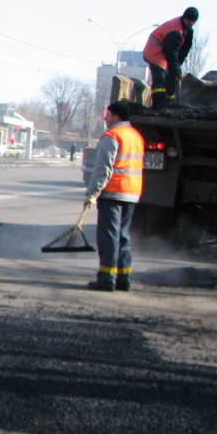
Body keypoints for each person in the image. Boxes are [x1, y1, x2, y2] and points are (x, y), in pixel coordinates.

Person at [83, 101, 144, 291]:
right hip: (132, 193)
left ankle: (106, 279)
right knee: (123, 236)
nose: (105, 118)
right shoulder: (136, 136)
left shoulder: (112, 136)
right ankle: (123, 279)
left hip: (113, 193)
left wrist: (92, 193)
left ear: (117, 116)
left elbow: (103, 169)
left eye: (108, 115)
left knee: (109, 238)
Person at [142, 7, 199, 109]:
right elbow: (171, 53)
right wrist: (176, 69)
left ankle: (169, 104)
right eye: (189, 21)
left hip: (165, 51)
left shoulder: (187, 31)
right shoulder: (176, 32)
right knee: (161, 79)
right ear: (185, 18)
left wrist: (177, 67)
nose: (191, 23)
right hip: (154, 50)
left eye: (193, 22)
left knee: (171, 78)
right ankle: (158, 106)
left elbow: (184, 50)